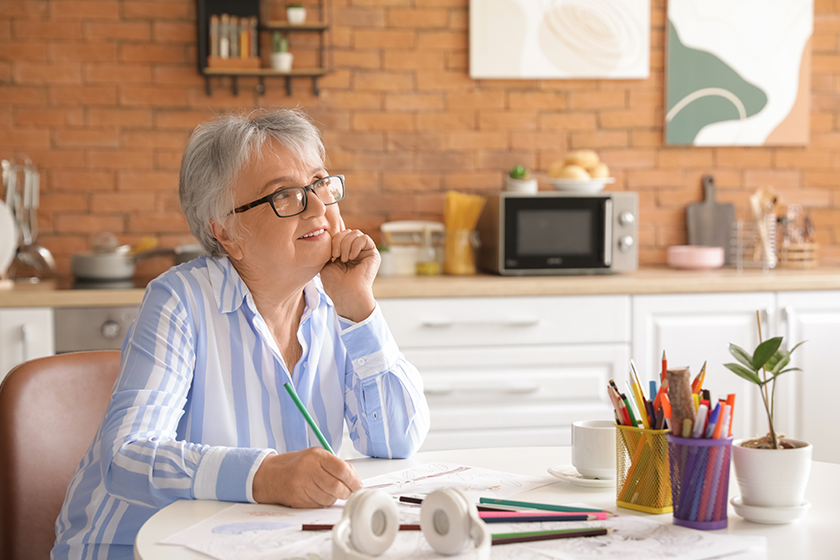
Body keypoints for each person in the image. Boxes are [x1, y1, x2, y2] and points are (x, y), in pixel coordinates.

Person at [52, 109, 430, 559]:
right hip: (134, 548)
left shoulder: (334, 300)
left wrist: (359, 309)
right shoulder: (181, 300)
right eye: (285, 196)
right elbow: (127, 456)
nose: (316, 207)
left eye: (320, 183)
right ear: (226, 231)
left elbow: (397, 441)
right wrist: (262, 475)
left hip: (258, 545)